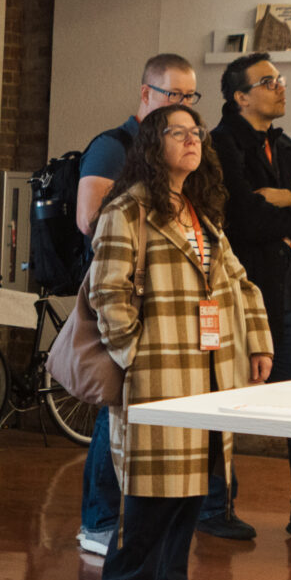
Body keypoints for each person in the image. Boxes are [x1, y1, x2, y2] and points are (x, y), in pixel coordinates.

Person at [87, 105, 273, 580]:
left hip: (210, 369)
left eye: (197, 134)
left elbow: (240, 283)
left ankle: (168, 576)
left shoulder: (199, 212)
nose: (192, 141)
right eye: (179, 133)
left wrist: (259, 343)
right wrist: (134, 352)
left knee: (197, 476)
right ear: (152, 143)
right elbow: (108, 290)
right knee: (149, 484)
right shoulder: (127, 210)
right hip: (159, 367)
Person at [75, 54, 207, 554]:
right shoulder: (114, 147)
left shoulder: (186, 166)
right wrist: (128, 339)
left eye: (190, 98)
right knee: (116, 413)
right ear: (146, 94)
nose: (183, 109)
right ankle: (100, 520)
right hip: (127, 310)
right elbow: (91, 221)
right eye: (173, 96)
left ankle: (149, 539)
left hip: (174, 323)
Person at [211, 53, 291, 539]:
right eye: (268, 81)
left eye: (280, 79)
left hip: (284, 301)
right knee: (220, 405)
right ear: (241, 96)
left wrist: (286, 197)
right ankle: (214, 508)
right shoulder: (222, 145)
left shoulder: (281, 146)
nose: (280, 87)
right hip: (238, 298)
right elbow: (244, 218)